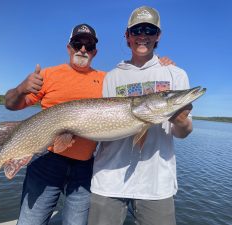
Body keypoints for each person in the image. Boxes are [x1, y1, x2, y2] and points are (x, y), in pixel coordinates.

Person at [88, 6, 193, 225]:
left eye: (149, 30)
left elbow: (183, 132)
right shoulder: (112, 77)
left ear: (158, 36)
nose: (143, 35)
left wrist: (181, 121)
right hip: (109, 179)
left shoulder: (176, 74)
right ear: (127, 36)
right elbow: (101, 126)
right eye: (136, 31)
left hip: (156, 184)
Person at [5, 23, 105, 225]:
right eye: (78, 43)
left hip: (85, 167)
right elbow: (10, 104)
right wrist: (21, 89)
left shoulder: (106, 80)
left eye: (89, 45)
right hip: (46, 161)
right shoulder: (48, 75)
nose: (83, 49)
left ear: (95, 51)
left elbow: (136, 91)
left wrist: (161, 65)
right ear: (69, 47)